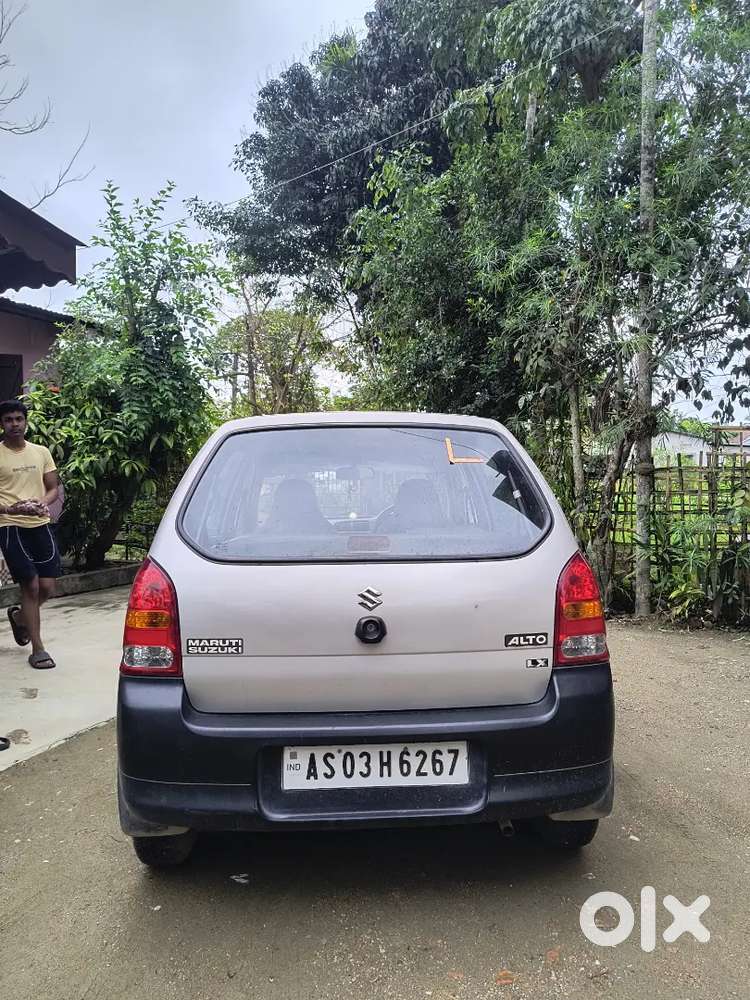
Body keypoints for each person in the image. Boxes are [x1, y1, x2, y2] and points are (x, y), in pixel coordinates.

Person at [0, 400, 61, 669]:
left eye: (18, 419)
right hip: (10, 525)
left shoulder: (41, 452)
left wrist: (42, 503)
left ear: (25, 422)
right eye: (8, 419)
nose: (14, 424)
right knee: (31, 586)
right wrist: (9, 507)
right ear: (2, 424)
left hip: (40, 523)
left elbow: (52, 488)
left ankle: (21, 619)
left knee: (47, 586)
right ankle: (38, 649)